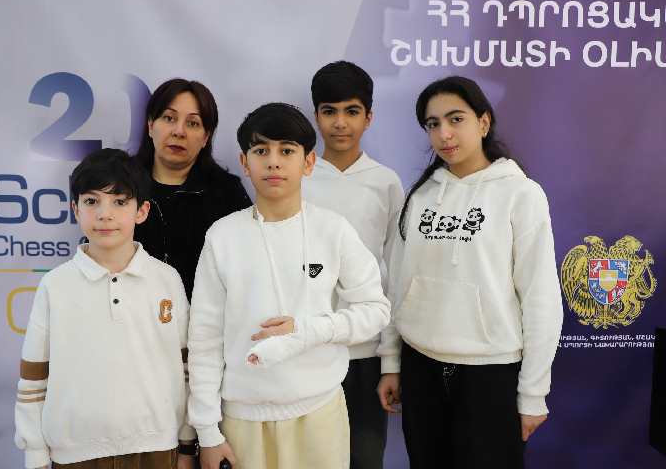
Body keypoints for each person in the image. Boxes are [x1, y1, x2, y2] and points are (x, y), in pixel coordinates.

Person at [186, 103, 391, 469]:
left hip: (319, 412)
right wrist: (207, 431)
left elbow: (375, 311)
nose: (273, 162)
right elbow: (204, 339)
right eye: (260, 151)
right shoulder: (222, 236)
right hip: (242, 419)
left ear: (308, 162)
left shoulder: (333, 229)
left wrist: (310, 331)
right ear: (244, 162)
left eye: (287, 151)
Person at [376, 76, 563, 468]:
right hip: (419, 366)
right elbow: (398, 286)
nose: (444, 133)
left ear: (484, 122)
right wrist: (391, 362)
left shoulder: (520, 194)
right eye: (433, 124)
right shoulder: (421, 196)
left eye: (455, 119)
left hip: (489, 373)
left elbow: (541, 298)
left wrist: (533, 394)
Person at [14, 149, 197, 469]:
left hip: (157, 447)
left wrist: (186, 443)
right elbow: (34, 378)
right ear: (75, 209)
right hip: (75, 453)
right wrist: (35, 453)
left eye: (120, 202)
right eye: (92, 201)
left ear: (142, 211)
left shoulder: (167, 280)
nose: (105, 214)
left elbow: (186, 369)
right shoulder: (55, 286)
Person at [301, 60, 404, 469]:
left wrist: (390, 362)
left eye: (352, 111)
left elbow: (396, 274)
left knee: (364, 457)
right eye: (330, 111)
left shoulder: (386, 182)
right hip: (307, 349)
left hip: (366, 353)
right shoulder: (297, 177)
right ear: (316, 117)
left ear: (368, 117)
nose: (340, 123)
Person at [134, 78, 252, 301]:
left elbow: (246, 270)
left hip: (204, 319)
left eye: (193, 123)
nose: (179, 131)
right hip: (132, 316)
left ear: (206, 137)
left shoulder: (228, 192)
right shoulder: (122, 186)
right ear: (150, 125)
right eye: (169, 118)